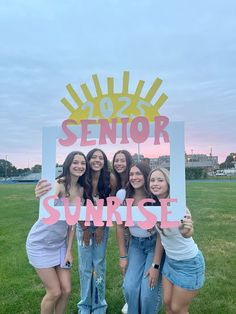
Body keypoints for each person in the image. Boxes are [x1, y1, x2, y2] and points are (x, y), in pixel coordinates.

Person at [26, 151, 87, 314]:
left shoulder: (81, 190)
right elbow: (47, 200)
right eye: (76, 162)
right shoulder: (59, 183)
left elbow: (72, 225)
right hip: (39, 243)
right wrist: (40, 193)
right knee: (54, 292)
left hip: (60, 244)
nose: (79, 166)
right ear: (68, 164)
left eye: (83, 163)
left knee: (66, 290)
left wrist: (69, 251)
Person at [148, 167, 205, 314]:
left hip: (189, 264)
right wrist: (155, 265)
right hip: (170, 262)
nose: (155, 183)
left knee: (177, 308)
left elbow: (188, 231)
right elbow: (161, 236)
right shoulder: (155, 207)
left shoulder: (179, 207)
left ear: (168, 183)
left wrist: (185, 230)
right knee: (167, 304)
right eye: (152, 180)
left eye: (160, 180)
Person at [116, 162, 163, 314]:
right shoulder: (122, 195)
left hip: (154, 245)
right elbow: (119, 226)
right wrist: (123, 256)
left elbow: (162, 232)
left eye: (138, 174)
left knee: (148, 292)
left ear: (146, 175)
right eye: (131, 174)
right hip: (135, 244)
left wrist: (155, 266)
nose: (134, 177)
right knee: (129, 287)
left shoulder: (155, 195)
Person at [76, 148, 116, 314]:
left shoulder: (110, 178)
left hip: (102, 224)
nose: (97, 160)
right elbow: (74, 205)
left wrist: (101, 226)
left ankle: (99, 305)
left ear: (104, 160)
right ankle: (85, 305)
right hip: (82, 223)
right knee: (85, 266)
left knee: (98, 264)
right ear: (88, 160)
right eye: (94, 157)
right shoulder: (81, 178)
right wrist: (85, 228)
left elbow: (111, 204)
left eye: (100, 158)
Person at [112, 150, 133, 314]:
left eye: (122, 160)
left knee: (138, 264)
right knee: (125, 263)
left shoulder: (135, 178)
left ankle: (138, 297)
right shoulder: (115, 181)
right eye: (116, 160)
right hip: (124, 230)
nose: (119, 163)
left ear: (128, 161)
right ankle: (129, 300)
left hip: (139, 229)